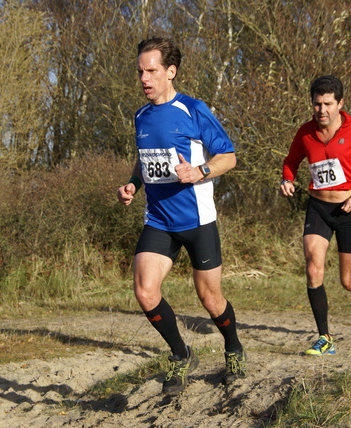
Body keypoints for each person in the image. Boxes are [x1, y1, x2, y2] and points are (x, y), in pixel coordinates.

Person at [117, 37, 245, 395]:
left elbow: (229, 156)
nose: (144, 77)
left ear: (170, 72)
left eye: (152, 70)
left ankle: (233, 347)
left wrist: (200, 171)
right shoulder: (140, 116)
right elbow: (145, 161)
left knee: (210, 300)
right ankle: (181, 353)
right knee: (145, 291)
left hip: (198, 221)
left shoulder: (194, 109)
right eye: (140, 71)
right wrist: (131, 184)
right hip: (158, 220)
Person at [280, 75, 351, 356]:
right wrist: (287, 179)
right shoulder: (305, 132)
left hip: (349, 210)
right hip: (318, 207)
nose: (322, 111)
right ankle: (325, 337)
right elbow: (291, 161)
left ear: (340, 103)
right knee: (313, 265)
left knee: (348, 281)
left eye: (328, 104)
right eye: (317, 104)